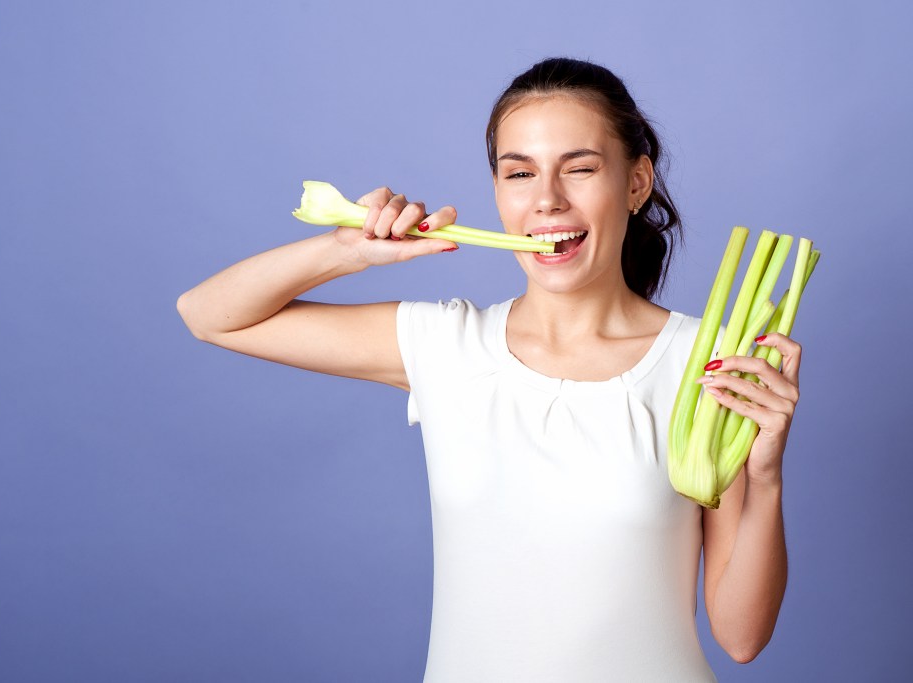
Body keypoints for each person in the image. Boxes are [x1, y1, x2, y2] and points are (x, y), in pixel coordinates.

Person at [177, 57, 800, 682]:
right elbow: (209, 315)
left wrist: (765, 476)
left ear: (637, 183)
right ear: (498, 191)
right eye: (520, 173)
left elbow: (741, 636)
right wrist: (347, 250)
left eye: (580, 169)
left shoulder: (709, 363)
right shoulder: (445, 345)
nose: (548, 199)